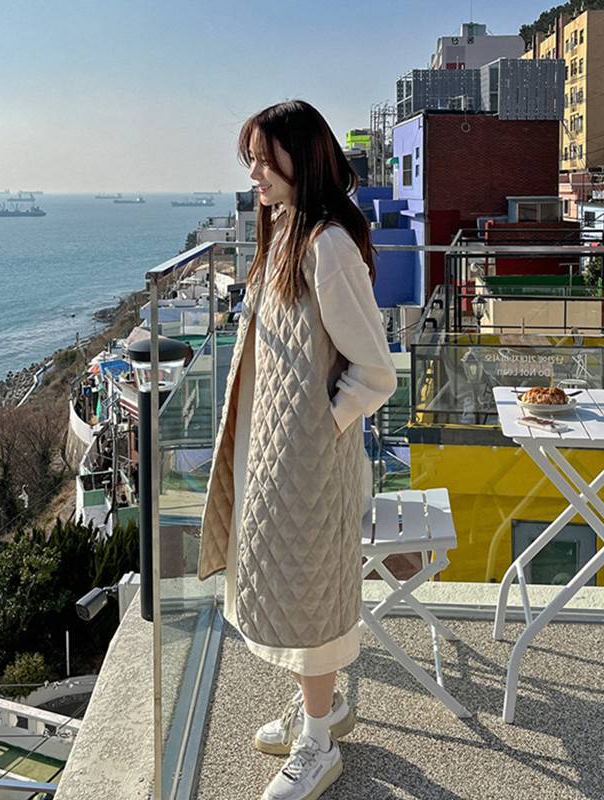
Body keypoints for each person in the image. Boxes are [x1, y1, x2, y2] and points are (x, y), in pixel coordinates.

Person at [198, 99, 397, 800]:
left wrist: (321, 426)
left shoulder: (327, 246)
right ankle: (325, 709)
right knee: (289, 589)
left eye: (263, 158)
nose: (253, 172)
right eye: (249, 160)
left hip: (305, 460)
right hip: (274, 454)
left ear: (301, 156)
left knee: (308, 599)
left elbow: (375, 370)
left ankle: (319, 744)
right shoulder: (286, 230)